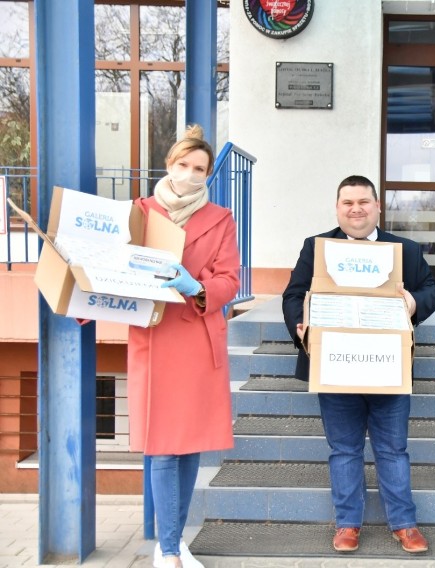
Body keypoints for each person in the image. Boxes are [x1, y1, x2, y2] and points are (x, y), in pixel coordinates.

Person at [282, 175, 435, 554]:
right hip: (335, 363)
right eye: (347, 202)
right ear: (337, 208)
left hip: (387, 365)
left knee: (393, 449)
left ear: (377, 206)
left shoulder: (404, 249)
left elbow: (432, 289)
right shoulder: (317, 248)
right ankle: (347, 524)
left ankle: (404, 525)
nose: (356, 208)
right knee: (344, 449)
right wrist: (301, 325)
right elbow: (293, 295)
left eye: (363, 202)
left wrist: (413, 303)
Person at [127, 125, 241, 568]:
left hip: (195, 335)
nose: (191, 175)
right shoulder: (139, 212)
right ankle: (170, 549)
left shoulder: (220, 219)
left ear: (209, 175)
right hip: (155, 338)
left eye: (200, 169)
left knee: (190, 445)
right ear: (168, 165)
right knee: (162, 446)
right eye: (183, 165)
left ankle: (172, 542)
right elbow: (111, 266)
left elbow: (230, 279)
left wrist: (198, 288)